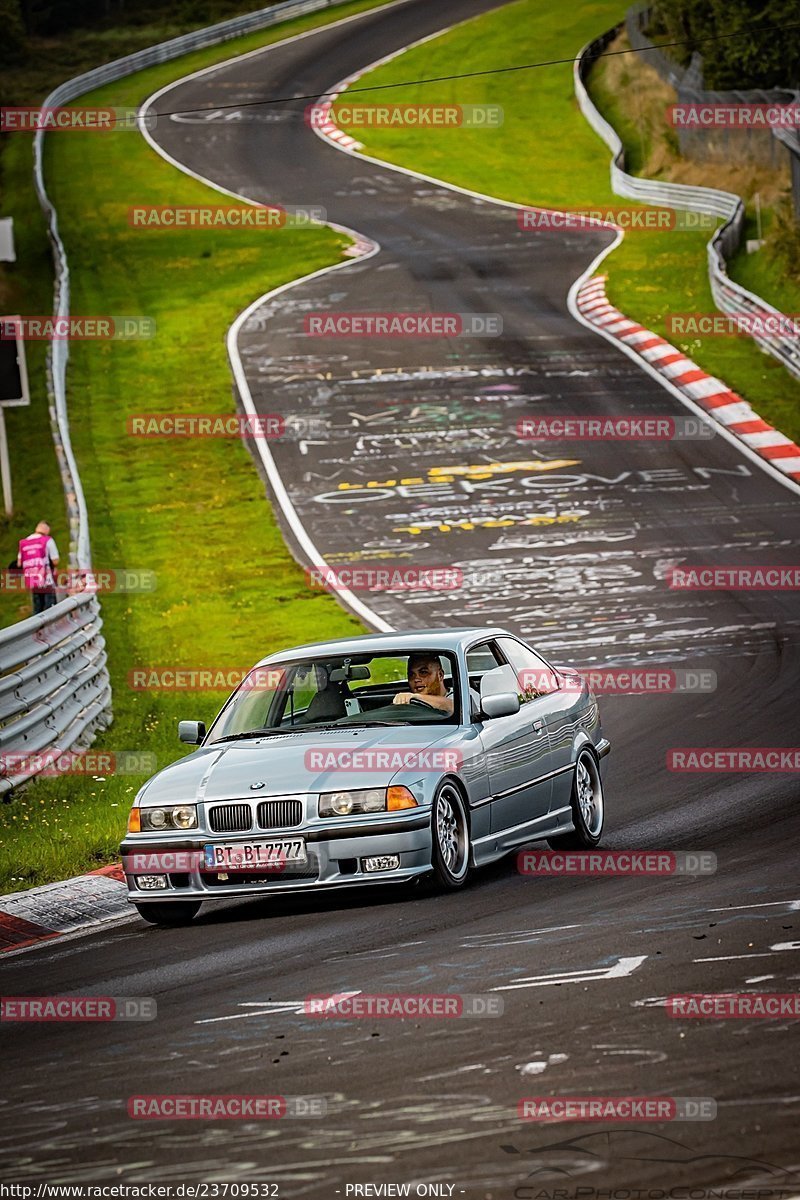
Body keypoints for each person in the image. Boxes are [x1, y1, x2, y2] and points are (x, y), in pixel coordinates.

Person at [17, 521, 60, 615]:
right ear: (47, 530)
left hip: (32, 579)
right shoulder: (47, 540)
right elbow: (55, 560)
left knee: (37, 607)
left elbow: (19, 563)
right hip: (46, 578)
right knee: (50, 606)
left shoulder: (24, 542)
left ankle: (38, 628)